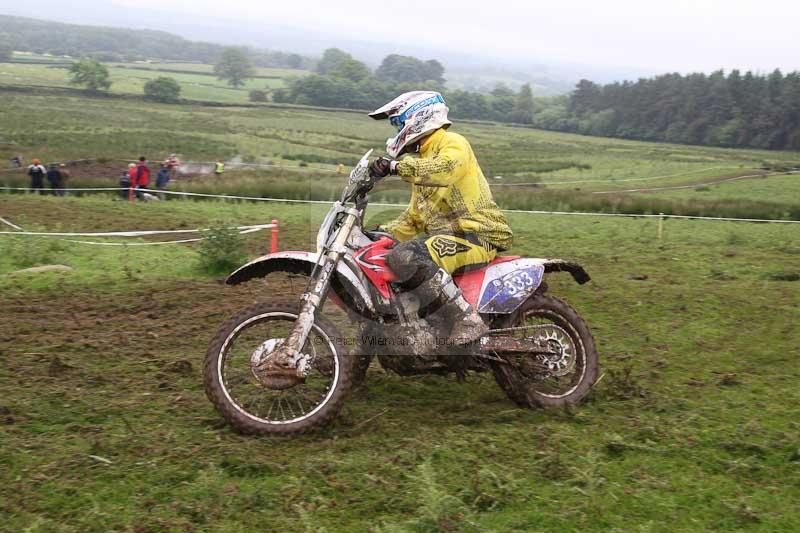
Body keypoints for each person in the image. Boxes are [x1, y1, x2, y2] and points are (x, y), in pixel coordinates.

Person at [367, 91, 513, 344]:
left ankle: (467, 319)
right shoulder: (423, 161)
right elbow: (414, 219)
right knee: (385, 254)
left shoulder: (452, 143)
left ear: (418, 117)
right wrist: (380, 233)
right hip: (450, 237)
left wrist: (395, 167)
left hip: (477, 235)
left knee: (406, 255)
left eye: (399, 124)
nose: (398, 130)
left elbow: (445, 169)